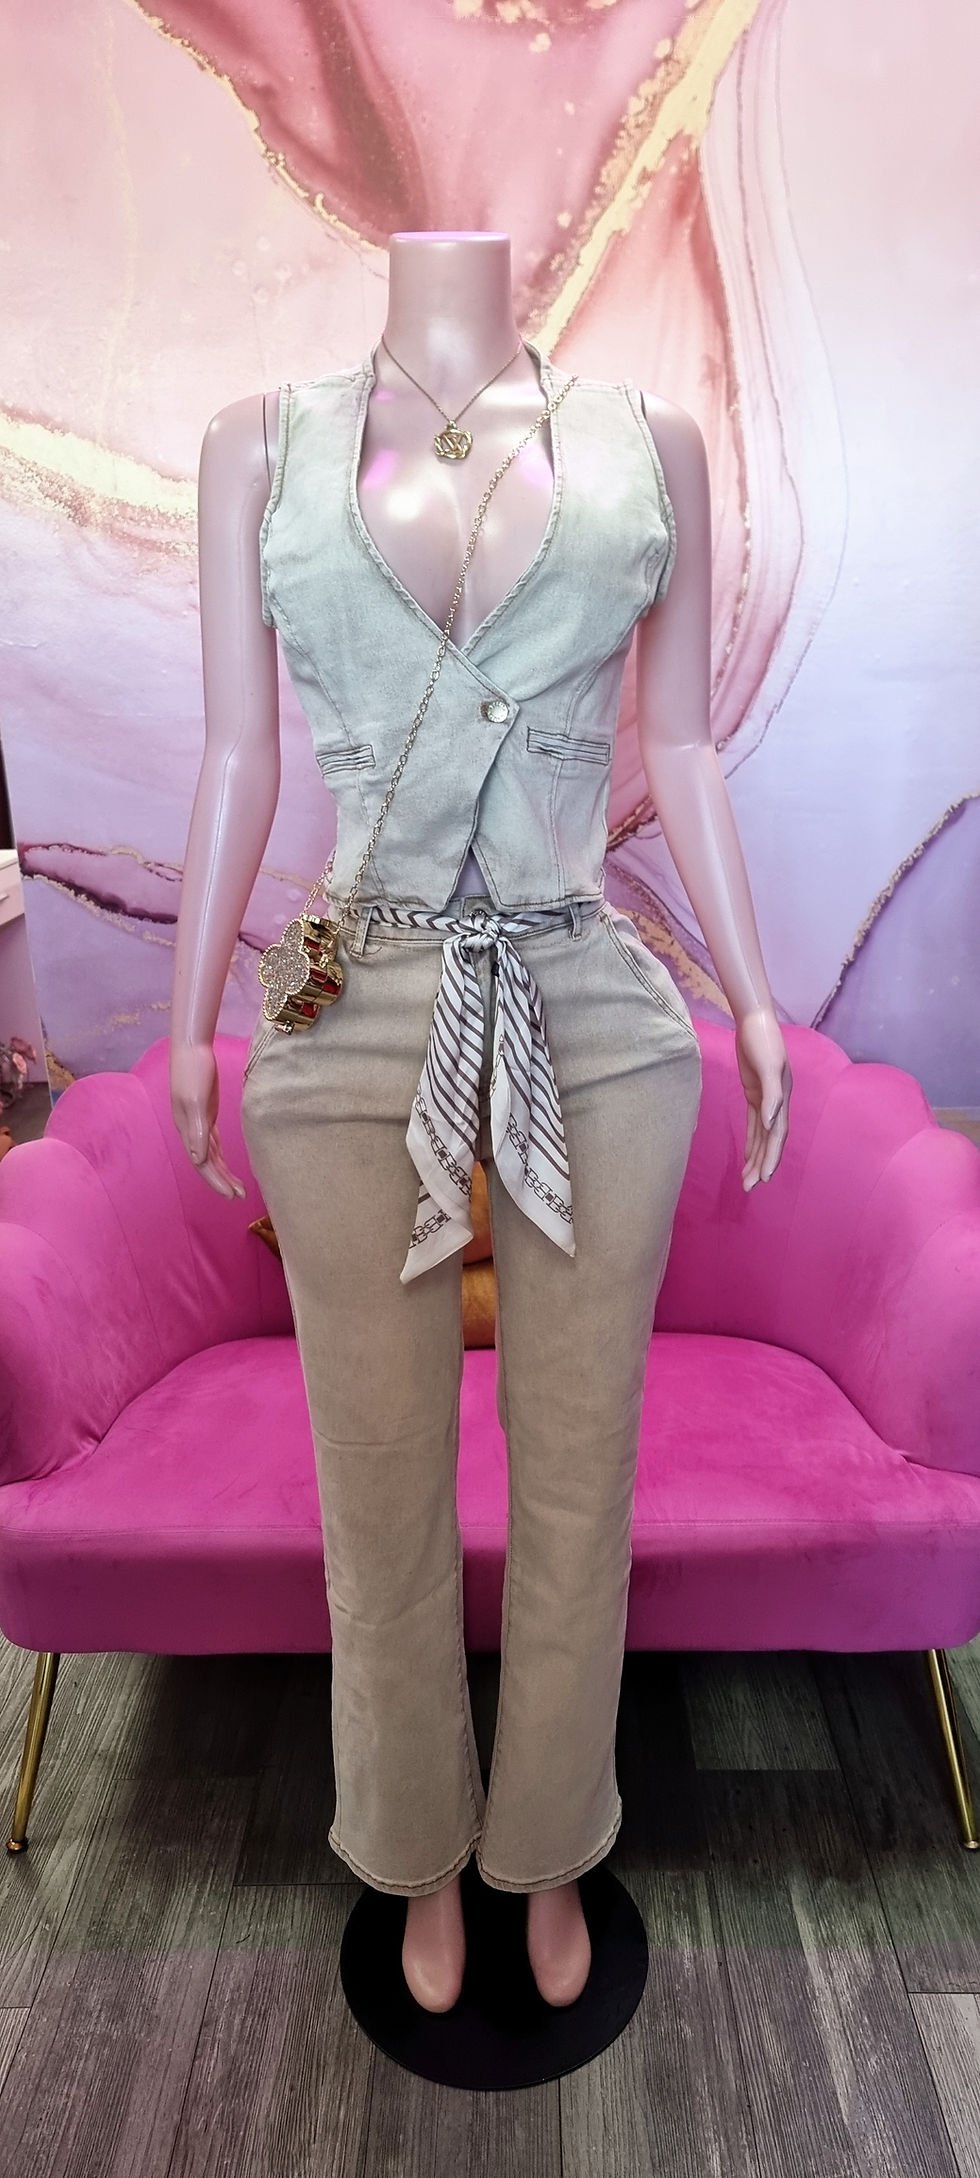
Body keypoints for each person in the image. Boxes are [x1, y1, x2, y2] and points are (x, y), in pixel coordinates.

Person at [169, 229, 791, 2014]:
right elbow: (237, 753)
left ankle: (550, 1846)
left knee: (580, 1482)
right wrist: (196, 1020)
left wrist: (751, 999)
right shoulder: (258, 443)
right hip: (349, 1003)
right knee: (376, 1487)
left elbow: (681, 746)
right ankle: (419, 1853)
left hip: (588, 1003)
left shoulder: (651, 442)